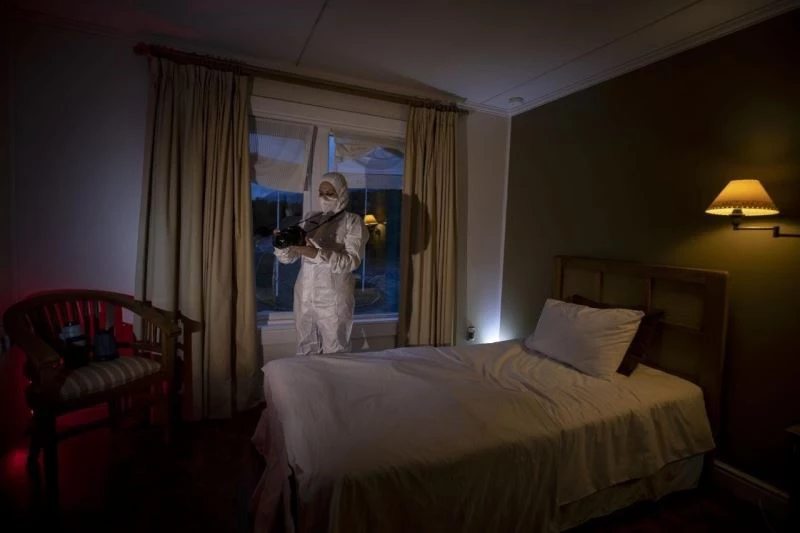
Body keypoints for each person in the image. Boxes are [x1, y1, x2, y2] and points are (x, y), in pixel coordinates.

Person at [274, 172, 368, 355]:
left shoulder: (353, 222)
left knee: (336, 351)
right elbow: (288, 258)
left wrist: (317, 253)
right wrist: (282, 245)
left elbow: (351, 262)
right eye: (321, 193)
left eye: (330, 193)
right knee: (305, 348)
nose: (324, 198)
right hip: (304, 294)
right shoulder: (311, 218)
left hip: (333, 297)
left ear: (341, 193)